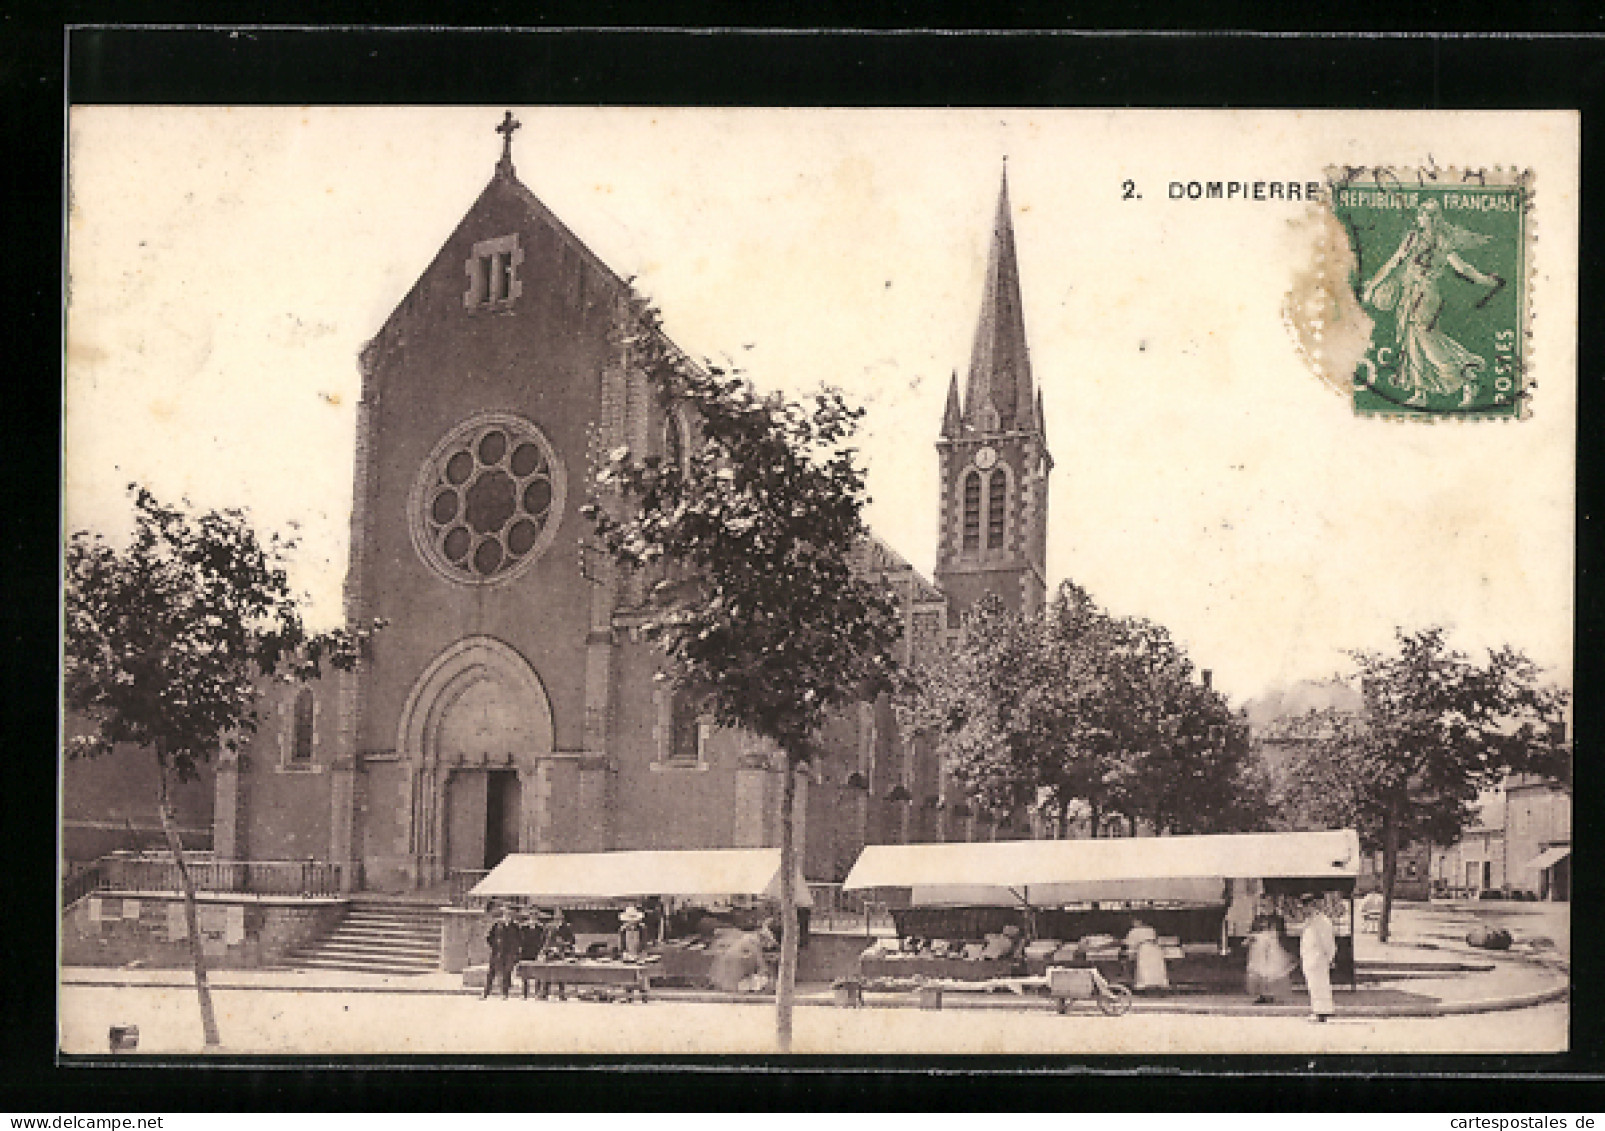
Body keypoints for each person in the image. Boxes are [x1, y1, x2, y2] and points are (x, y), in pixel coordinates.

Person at [1360, 198, 1505, 407]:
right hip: (1409, 295)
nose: (1421, 218)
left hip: (1425, 296)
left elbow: (1461, 268)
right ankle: (1420, 393)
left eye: (1426, 215)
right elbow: (1394, 262)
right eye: (1420, 214)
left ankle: (1467, 377)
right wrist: (1374, 285)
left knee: (1429, 344)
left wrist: (1485, 280)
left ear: (1434, 218)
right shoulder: (1413, 238)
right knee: (1412, 343)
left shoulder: (1442, 241)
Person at [1298, 892, 1338, 1022]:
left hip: (1318, 958)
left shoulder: (1322, 921)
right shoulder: (1309, 921)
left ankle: (1322, 1012)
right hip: (1310, 958)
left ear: (1311, 906)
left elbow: (1328, 942)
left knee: (1320, 985)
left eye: (1305, 907)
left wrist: (1330, 957)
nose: (1303, 910)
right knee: (1313, 986)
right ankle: (1318, 1011)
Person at [1244, 909, 1293, 1004]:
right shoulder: (1257, 919)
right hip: (1259, 949)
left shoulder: (1278, 919)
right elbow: (1251, 932)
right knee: (1259, 971)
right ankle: (1263, 994)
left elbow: (1282, 934)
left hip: (1273, 948)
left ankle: (1274, 994)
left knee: (1274, 971)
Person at [482, 905, 520, 1000]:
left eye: (509, 914)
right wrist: (495, 946)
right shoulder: (497, 925)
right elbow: (489, 937)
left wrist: (514, 951)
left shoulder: (515, 927)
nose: (507, 916)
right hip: (497, 952)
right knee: (491, 973)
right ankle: (485, 993)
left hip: (509, 953)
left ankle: (504, 993)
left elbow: (519, 940)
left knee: (507, 973)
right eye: (506, 914)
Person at [1124, 918, 1169, 992]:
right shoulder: (1151, 929)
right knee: (1156, 966)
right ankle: (1159, 984)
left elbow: (1130, 944)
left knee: (1145, 967)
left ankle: (1145, 985)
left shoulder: (1134, 931)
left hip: (1144, 949)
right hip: (1155, 948)